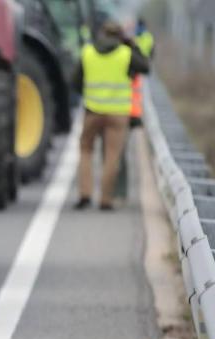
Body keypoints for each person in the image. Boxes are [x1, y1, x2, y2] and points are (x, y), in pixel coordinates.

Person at [72, 21, 149, 210]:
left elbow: (74, 81)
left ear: (102, 33)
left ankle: (85, 195)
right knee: (112, 156)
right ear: (120, 36)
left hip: (92, 111)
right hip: (118, 114)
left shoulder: (88, 52)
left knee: (86, 151)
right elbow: (146, 67)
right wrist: (132, 45)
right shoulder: (126, 54)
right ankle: (106, 200)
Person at [129, 19, 155, 127]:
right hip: (142, 66)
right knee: (137, 92)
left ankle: (134, 115)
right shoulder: (149, 37)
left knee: (134, 91)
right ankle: (135, 115)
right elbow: (152, 52)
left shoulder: (135, 37)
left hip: (136, 67)